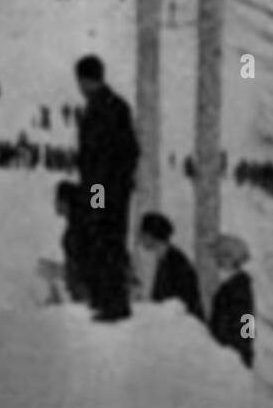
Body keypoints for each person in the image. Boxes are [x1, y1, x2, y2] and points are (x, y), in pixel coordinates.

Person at [74, 55, 139, 322]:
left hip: (103, 188)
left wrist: (98, 195)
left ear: (87, 80)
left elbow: (107, 156)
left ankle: (113, 301)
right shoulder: (111, 105)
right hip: (108, 187)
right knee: (104, 239)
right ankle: (104, 298)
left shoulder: (104, 108)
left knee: (105, 238)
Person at [137, 212, 204, 320]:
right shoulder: (163, 259)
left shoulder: (177, 262)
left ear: (152, 236)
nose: (139, 238)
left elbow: (180, 304)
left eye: (143, 234)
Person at [208, 234, 253, 367]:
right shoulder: (231, 286)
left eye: (219, 257)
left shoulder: (238, 288)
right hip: (227, 355)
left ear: (229, 258)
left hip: (232, 359)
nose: (216, 261)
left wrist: (241, 354)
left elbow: (247, 324)